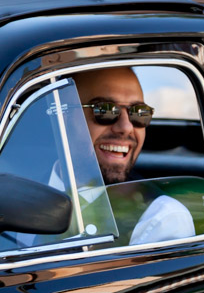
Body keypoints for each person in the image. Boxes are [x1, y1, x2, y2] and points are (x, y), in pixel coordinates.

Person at [72, 67, 195, 244]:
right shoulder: (20, 192)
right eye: (105, 110)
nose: (126, 127)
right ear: (63, 114)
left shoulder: (160, 218)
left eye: (139, 113)